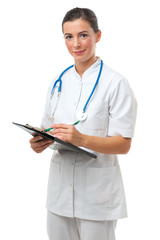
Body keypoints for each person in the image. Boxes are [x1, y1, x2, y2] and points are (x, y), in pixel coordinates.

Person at [30, 7, 137, 240]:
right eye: (69, 37)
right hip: (59, 194)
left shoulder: (116, 83)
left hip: (97, 196)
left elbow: (123, 144)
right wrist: (41, 142)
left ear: (97, 36)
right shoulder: (58, 82)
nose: (76, 44)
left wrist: (81, 139)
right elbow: (48, 129)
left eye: (83, 35)